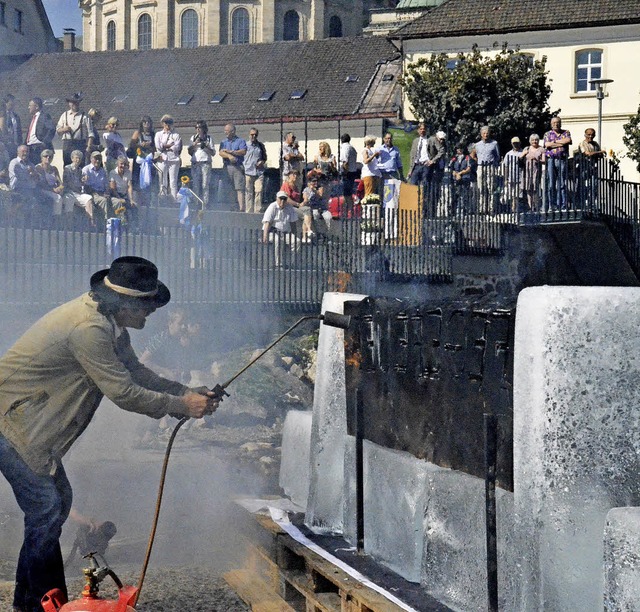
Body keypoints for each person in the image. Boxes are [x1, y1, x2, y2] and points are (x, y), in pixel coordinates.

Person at [0, 256, 219, 612]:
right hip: (12, 425)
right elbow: (124, 393)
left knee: (53, 508)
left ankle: (29, 603)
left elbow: (137, 373)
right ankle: (43, 605)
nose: (149, 314)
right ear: (126, 304)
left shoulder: (111, 326)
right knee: (46, 510)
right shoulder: (89, 329)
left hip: (32, 429)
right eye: (146, 306)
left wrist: (187, 392)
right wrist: (183, 406)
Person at [262, 191, 300, 266]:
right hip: (272, 232)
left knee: (297, 241)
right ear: (277, 198)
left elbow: (293, 223)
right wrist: (265, 236)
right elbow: (267, 222)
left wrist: (294, 235)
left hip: (285, 233)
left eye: (284, 199)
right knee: (278, 240)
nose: (282, 201)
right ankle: (278, 264)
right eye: (280, 198)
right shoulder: (272, 206)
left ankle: (293, 263)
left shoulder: (290, 208)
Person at [56, 93, 94, 167]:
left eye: (76, 102)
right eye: (72, 102)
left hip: (80, 144)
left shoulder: (85, 116)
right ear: (69, 103)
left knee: (80, 166)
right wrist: (64, 129)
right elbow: (58, 131)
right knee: (67, 166)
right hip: (67, 144)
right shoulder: (64, 115)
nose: (74, 104)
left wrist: (88, 147)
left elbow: (91, 134)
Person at [543, 116, 572, 212]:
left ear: (560, 123)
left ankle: (562, 205)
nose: (556, 124)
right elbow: (547, 145)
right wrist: (560, 143)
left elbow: (568, 141)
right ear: (551, 124)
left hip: (562, 159)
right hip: (551, 159)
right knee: (551, 183)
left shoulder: (566, 132)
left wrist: (553, 142)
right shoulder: (547, 134)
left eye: (558, 122)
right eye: (554, 123)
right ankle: (552, 205)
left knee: (562, 183)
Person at [127, 115, 156, 207]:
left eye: (148, 122)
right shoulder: (138, 133)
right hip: (139, 162)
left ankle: (147, 204)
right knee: (137, 183)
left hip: (149, 161)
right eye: (144, 122)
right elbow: (131, 146)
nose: (146, 124)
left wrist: (150, 147)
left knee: (148, 184)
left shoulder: (153, 135)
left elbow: (155, 147)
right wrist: (140, 145)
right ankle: (137, 203)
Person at [63, 149, 96, 226]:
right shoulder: (67, 169)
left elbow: (81, 183)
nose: (78, 160)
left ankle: (91, 220)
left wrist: (84, 181)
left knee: (88, 198)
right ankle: (69, 224)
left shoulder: (80, 170)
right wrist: (78, 190)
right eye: (76, 158)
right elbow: (68, 183)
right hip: (69, 192)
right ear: (72, 159)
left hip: (78, 193)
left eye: (80, 158)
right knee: (69, 199)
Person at [218, 123, 247, 212]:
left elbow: (243, 151)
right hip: (227, 167)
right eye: (225, 131)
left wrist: (231, 152)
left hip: (237, 167)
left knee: (239, 188)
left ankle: (241, 208)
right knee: (229, 188)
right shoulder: (224, 142)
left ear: (233, 131)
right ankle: (232, 207)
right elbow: (220, 152)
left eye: (227, 131)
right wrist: (229, 156)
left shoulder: (241, 141)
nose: (225, 132)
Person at [188, 120, 216, 209]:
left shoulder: (209, 138)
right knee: (196, 184)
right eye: (196, 128)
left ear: (204, 128)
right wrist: (194, 144)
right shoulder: (193, 138)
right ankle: (196, 203)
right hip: (195, 163)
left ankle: (205, 204)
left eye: (199, 127)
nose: (198, 129)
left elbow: (213, 152)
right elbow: (189, 151)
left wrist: (205, 146)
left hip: (205, 163)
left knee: (205, 185)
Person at [154, 114, 183, 201]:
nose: (167, 125)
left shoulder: (176, 135)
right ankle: (163, 200)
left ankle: (174, 200)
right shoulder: (158, 134)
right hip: (162, 159)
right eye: (165, 122)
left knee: (173, 181)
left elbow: (177, 147)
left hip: (173, 160)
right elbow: (158, 146)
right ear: (162, 124)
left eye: (169, 122)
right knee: (162, 182)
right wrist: (170, 145)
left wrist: (166, 146)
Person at [35, 149, 67, 223]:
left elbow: (59, 181)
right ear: (41, 158)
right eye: (46, 156)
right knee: (58, 198)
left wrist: (60, 187)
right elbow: (41, 183)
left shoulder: (54, 169)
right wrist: (53, 190)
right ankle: (56, 220)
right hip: (43, 189)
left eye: (50, 156)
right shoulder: (39, 168)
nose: (48, 158)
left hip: (54, 190)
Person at [577, 127, 605, 209]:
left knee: (594, 186)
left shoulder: (595, 144)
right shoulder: (582, 143)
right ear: (585, 135)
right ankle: (581, 203)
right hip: (584, 167)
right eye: (588, 135)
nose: (590, 137)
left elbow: (601, 155)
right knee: (583, 186)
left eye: (592, 135)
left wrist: (598, 153)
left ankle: (591, 203)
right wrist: (599, 152)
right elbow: (587, 153)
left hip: (593, 167)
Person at [475, 126, 500, 214]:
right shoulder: (477, 145)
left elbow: (497, 156)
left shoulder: (494, 143)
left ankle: (491, 208)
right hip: (481, 166)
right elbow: (474, 155)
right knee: (481, 188)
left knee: (491, 187)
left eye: (487, 133)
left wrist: (495, 165)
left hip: (490, 166)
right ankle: (482, 208)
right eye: (484, 133)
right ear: (481, 134)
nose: (486, 135)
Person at [82, 151, 112, 222]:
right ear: (91, 159)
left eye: (99, 158)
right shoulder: (86, 169)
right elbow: (85, 185)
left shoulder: (103, 171)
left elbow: (106, 185)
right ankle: (105, 223)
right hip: (92, 193)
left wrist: (107, 193)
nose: (97, 160)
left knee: (115, 201)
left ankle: (121, 223)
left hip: (102, 193)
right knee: (104, 201)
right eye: (95, 158)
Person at [25, 97, 56, 165]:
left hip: (38, 147)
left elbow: (51, 129)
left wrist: (44, 142)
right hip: (30, 148)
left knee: (39, 168)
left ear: (36, 106)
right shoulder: (32, 118)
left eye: (30, 105)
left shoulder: (44, 116)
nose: (28, 107)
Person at [109, 155, 138, 228]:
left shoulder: (128, 173)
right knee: (119, 203)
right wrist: (119, 198)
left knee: (134, 206)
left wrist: (131, 199)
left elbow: (129, 186)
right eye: (121, 164)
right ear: (118, 164)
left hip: (124, 195)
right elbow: (113, 188)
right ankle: (123, 222)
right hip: (114, 195)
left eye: (124, 164)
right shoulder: (112, 173)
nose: (123, 166)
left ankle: (135, 226)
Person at [243, 128, 267, 214]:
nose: (254, 136)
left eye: (255, 135)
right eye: (252, 134)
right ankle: (249, 211)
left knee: (258, 191)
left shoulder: (260, 146)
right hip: (248, 171)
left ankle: (257, 211)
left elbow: (264, 157)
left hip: (258, 172)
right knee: (248, 192)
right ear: (249, 135)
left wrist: (262, 162)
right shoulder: (244, 145)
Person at [522, 134, 545, 212]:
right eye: (532, 140)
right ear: (530, 141)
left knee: (535, 189)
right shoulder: (527, 148)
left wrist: (536, 159)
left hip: (536, 171)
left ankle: (536, 205)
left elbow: (544, 161)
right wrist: (524, 154)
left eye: (536, 140)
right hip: (527, 171)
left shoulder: (541, 149)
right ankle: (530, 206)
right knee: (528, 189)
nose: (534, 141)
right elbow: (520, 158)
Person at [449, 144, 473, 216]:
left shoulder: (467, 157)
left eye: (461, 148)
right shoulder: (454, 158)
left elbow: (469, 168)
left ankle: (465, 211)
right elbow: (450, 167)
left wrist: (460, 173)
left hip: (465, 178)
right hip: (455, 179)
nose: (459, 150)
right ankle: (454, 211)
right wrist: (456, 174)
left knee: (465, 194)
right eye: (458, 148)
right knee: (455, 194)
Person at [502, 136, 525, 212]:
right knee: (511, 195)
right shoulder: (508, 154)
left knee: (518, 195)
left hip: (520, 177)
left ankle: (515, 209)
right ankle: (512, 208)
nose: (516, 145)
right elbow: (506, 166)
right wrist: (505, 178)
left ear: (520, 143)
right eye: (514, 143)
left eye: (517, 143)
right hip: (511, 177)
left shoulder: (523, 152)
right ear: (512, 144)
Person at [339, 133, 358, 211]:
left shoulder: (345, 148)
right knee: (349, 193)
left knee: (345, 194)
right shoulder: (352, 148)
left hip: (347, 173)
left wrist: (345, 172)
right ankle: (350, 209)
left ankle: (345, 210)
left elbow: (345, 162)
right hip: (353, 172)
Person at [1, 94, 23, 160]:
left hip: (15, 145)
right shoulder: (1, 116)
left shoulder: (16, 116)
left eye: (14, 103)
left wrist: (19, 143)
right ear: (5, 103)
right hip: (4, 146)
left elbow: (19, 131)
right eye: (11, 103)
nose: (13, 105)